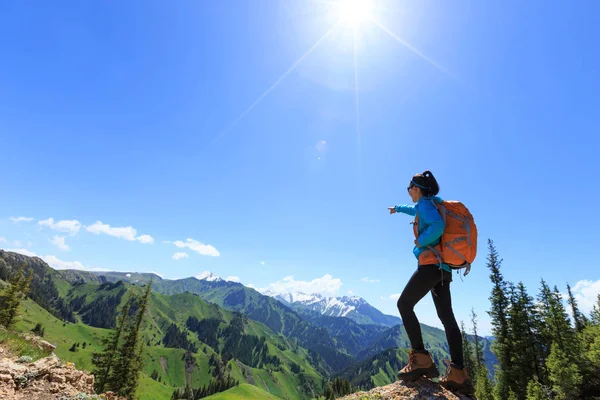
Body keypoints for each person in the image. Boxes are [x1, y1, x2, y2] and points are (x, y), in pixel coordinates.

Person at [388, 170, 472, 393]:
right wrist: (397, 209)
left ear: (416, 189)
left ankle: (421, 359)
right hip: (443, 269)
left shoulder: (425, 205)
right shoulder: (431, 203)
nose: (408, 192)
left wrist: (420, 242)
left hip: (430, 265)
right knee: (447, 317)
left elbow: (437, 226)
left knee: (404, 304)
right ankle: (458, 373)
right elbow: (414, 210)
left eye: (409, 189)